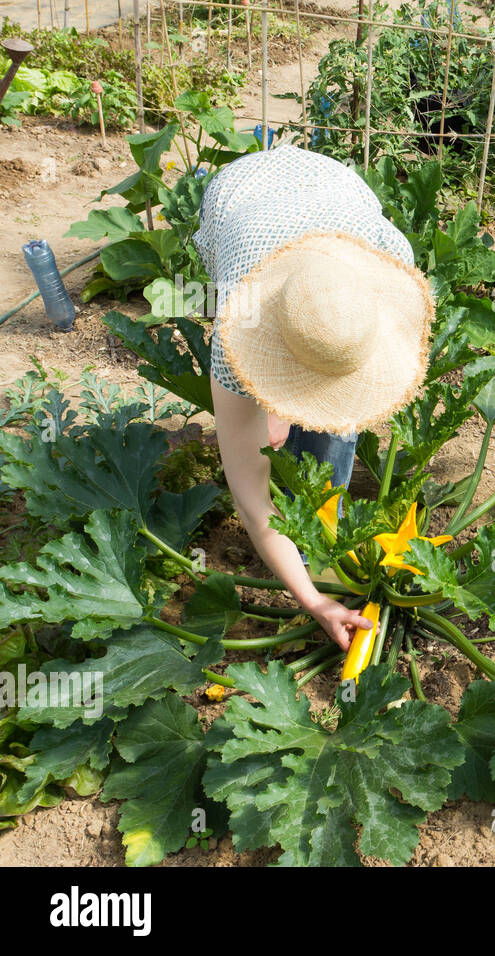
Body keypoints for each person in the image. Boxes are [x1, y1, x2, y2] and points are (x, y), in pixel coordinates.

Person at [194, 142, 436, 651]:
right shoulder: (238, 321)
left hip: (334, 189)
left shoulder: (387, 261)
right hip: (242, 202)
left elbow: (336, 343)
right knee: (258, 429)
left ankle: (324, 514)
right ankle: (305, 548)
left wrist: (301, 402)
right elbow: (254, 506)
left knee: (334, 409)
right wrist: (314, 600)